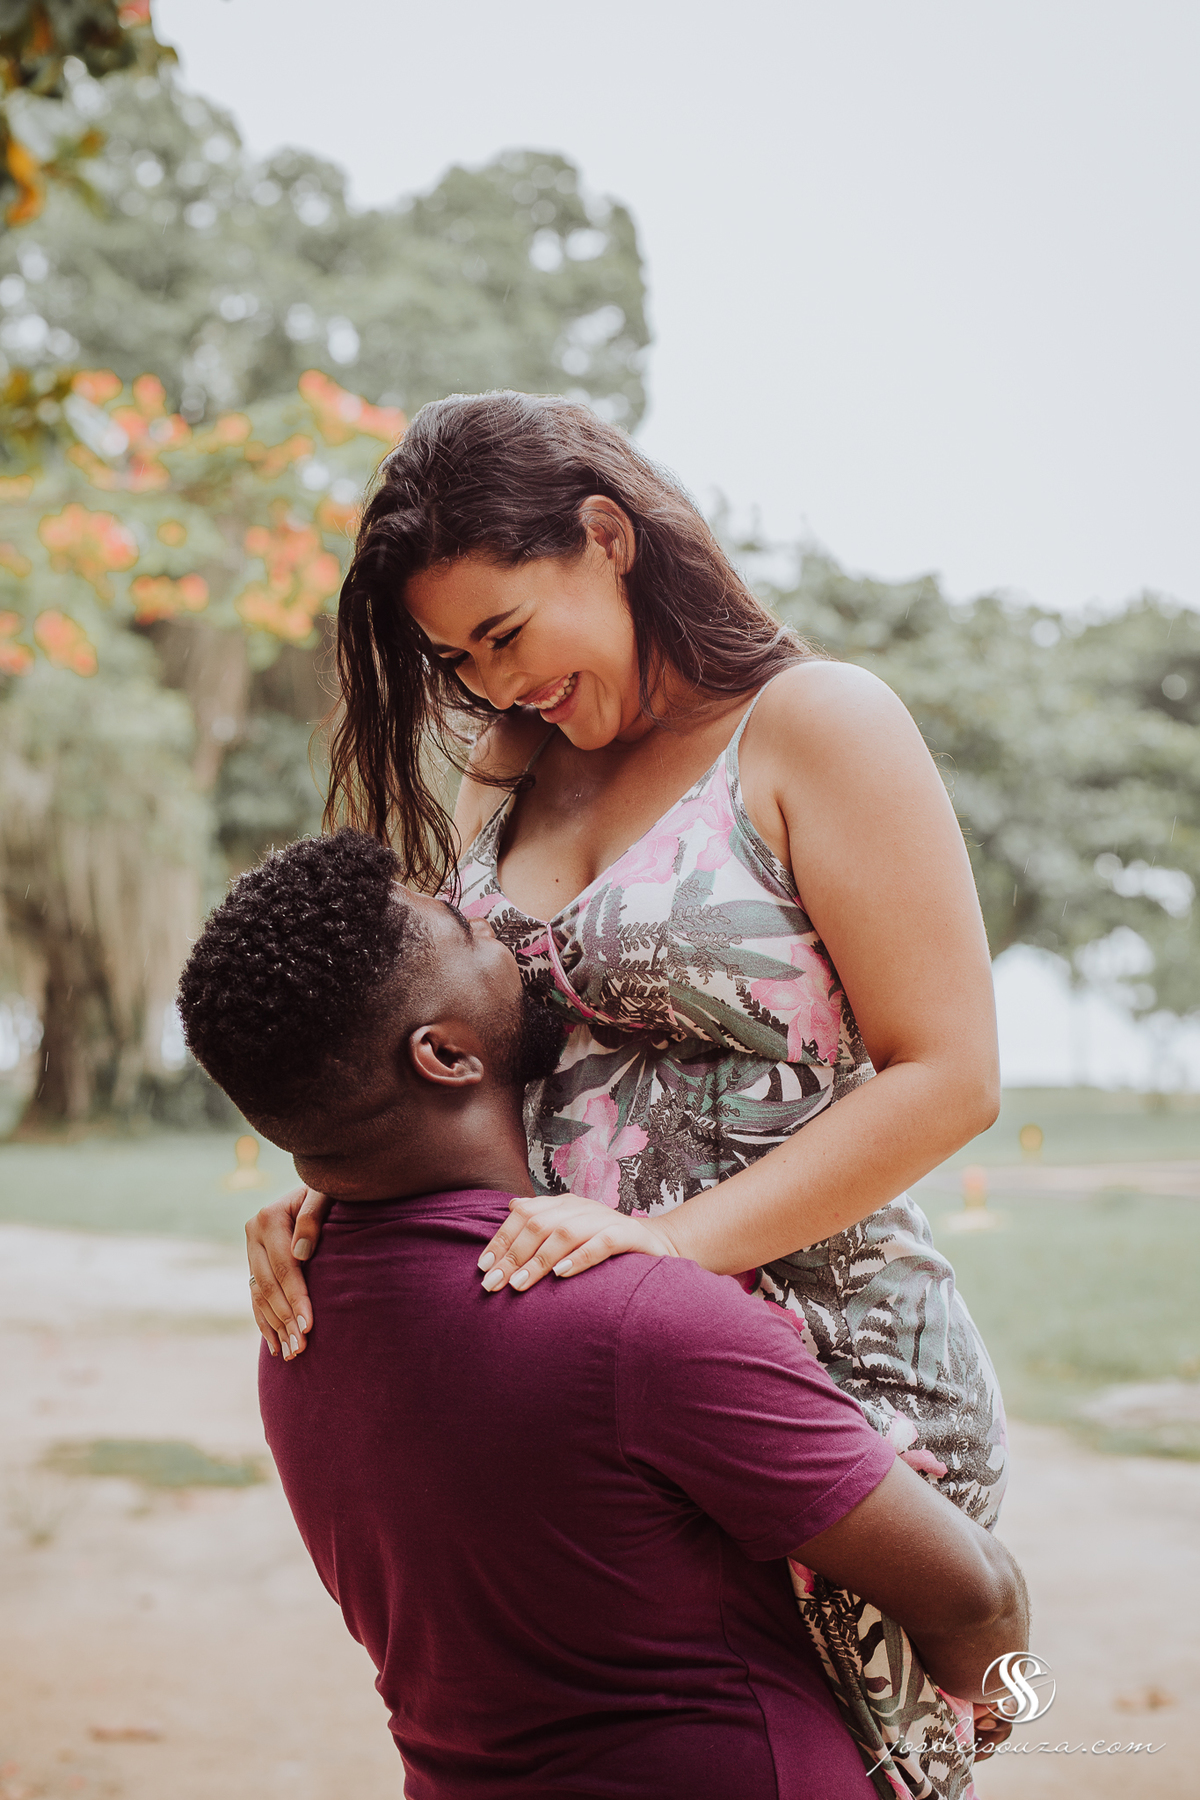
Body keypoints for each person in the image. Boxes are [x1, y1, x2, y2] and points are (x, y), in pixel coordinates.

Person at [244, 393, 1008, 1795]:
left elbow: (951, 1077)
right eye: (457, 660)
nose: (494, 685)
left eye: (506, 633)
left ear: (606, 538)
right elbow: (450, 1030)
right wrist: (328, 1189)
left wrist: (664, 1249)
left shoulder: (814, 725)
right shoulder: (513, 760)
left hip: (828, 1372)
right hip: (602, 1390)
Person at [178, 831, 1027, 1800]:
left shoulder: (295, 1329)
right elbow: (979, 1597)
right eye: (467, 928)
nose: (509, 933)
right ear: (444, 1054)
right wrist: (987, 1707)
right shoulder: (633, 1321)